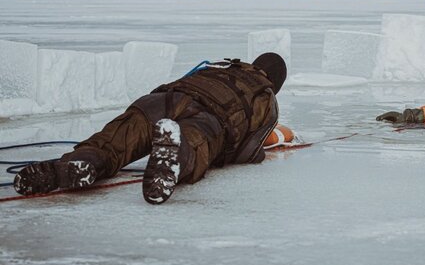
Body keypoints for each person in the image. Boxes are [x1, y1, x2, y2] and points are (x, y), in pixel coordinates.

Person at [14, 53, 289, 205]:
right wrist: (256, 155)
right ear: (276, 82)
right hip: (211, 117)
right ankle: (172, 155)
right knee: (194, 144)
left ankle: (78, 163)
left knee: (111, 143)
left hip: (161, 101)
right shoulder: (266, 97)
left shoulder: (220, 65)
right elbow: (247, 152)